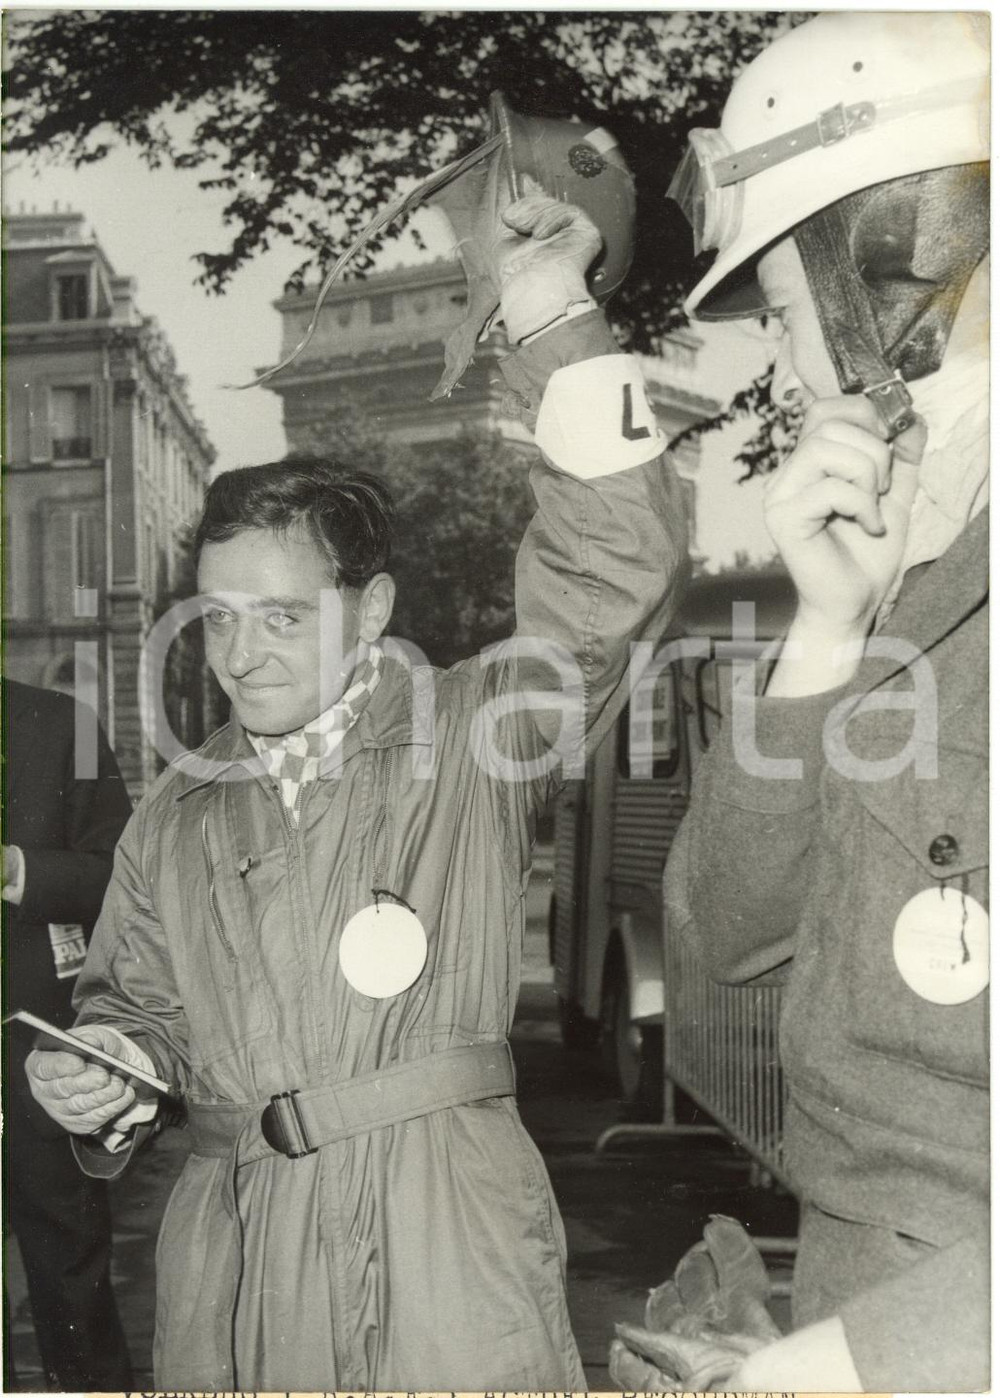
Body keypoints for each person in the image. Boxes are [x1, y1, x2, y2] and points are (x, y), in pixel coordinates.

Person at [24, 190, 689, 1389]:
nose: (239, 656)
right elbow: (139, 1005)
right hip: (234, 1268)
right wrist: (105, 1065)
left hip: (443, 1248)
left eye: (282, 618)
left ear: (370, 610)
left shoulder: (475, 736)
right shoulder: (177, 814)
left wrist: (552, 315)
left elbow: (615, 563)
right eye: (218, 619)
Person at [657, 11, 988, 1392]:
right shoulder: (913, 547)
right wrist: (825, 636)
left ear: (893, 252)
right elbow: (726, 937)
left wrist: (853, 1363)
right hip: (873, 1284)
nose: (795, 372)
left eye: (789, 315)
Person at [2, 678, 133, 1391]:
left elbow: (122, 877)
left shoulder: (65, 724)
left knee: (70, 1276)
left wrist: (19, 870)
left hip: (36, 1053)